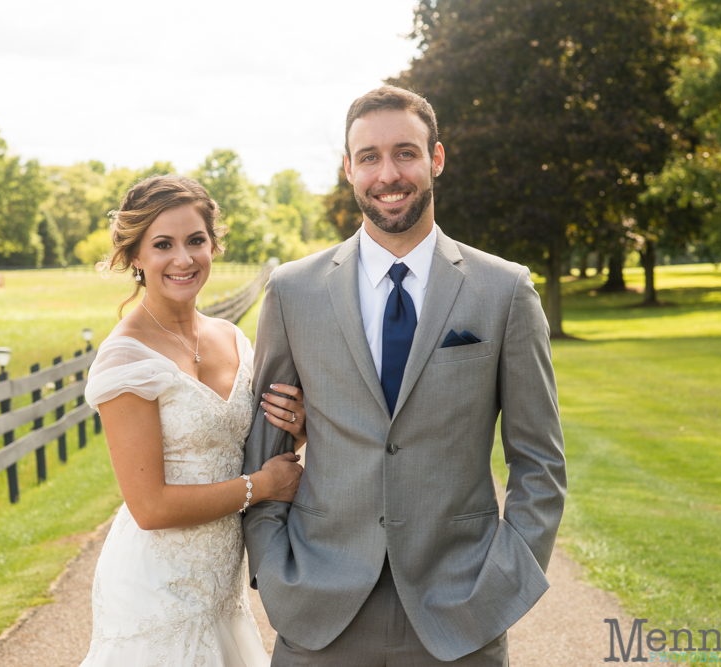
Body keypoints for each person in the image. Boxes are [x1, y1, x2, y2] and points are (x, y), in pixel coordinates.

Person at [242, 85, 567, 666]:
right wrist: (273, 564)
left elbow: (539, 462)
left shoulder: (504, 291)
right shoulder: (293, 292)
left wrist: (503, 581)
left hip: (459, 613)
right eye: (369, 157)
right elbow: (262, 446)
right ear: (348, 169)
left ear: (436, 158)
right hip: (319, 610)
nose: (387, 174)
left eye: (405, 153)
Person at [80, 174, 306, 667]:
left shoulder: (232, 339)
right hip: (155, 590)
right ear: (135, 256)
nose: (183, 258)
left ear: (213, 245)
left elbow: (251, 438)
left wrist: (298, 427)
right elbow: (150, 507)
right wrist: (260, 487)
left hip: (220, 589)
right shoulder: (126, 358)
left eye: (195, 241)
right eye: (163, 244)